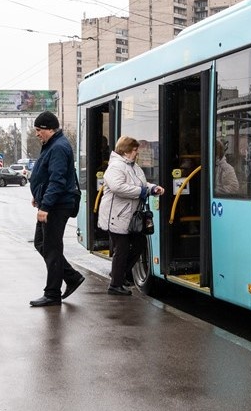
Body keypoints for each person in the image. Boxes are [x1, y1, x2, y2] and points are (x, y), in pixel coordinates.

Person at [28, 110, 85, 307]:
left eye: (39, 130)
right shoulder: (52, 144)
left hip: (57, 206)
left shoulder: (59, 147)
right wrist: (39, 196)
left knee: (52, 248)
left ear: (49, 129)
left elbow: (57, 180)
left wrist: (45, 206)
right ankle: (72, 277)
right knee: (41, 243)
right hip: (51, 203)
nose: (37, 134)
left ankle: (52, 294)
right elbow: (46, 175)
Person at [97, 135, 165, 296]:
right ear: (125, 151)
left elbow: (141, 183)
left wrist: (152, 188)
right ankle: (115, 285)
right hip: (116, 215)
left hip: (128, 215)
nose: (137, 153)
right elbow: (118, 187)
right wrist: (142, 191)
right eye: (134, 150)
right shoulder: (116, 167)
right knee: (122, 249)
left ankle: (118, 274)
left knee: (139, 244)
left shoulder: (133, 166)